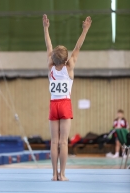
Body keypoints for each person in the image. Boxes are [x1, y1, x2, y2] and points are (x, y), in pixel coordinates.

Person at [43, 14, 92, 181]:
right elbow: (78, 47)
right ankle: (62, 174)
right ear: (65, 59)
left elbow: (48, 46)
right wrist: (85, 29)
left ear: (53, 58)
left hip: (53, 104)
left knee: (53, 141)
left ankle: (53, 175)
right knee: (63, 142)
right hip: (64, 104)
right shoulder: (69, 68)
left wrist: (45, 28)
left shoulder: (50, 67)